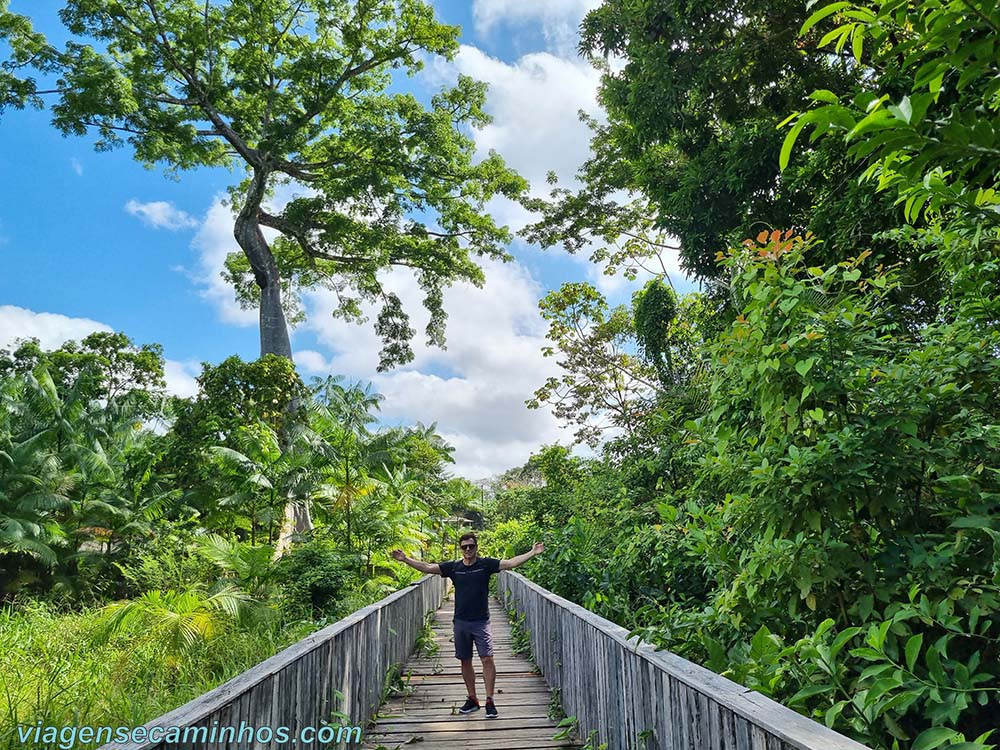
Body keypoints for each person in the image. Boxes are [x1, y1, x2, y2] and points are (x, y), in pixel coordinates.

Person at [391, 533, 544, 718]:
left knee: (487, 658)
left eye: (471, 546)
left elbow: (511, 563)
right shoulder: (454, 568)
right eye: (464, 547)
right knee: (465, 660)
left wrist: (532, 552)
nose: (468, 550)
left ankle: (490, 700)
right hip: (461, 622)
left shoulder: (486, 565)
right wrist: (405, 559)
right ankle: (472, 699)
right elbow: (428, 568)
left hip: (481, 621)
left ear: (476, 547)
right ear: (460, 549)